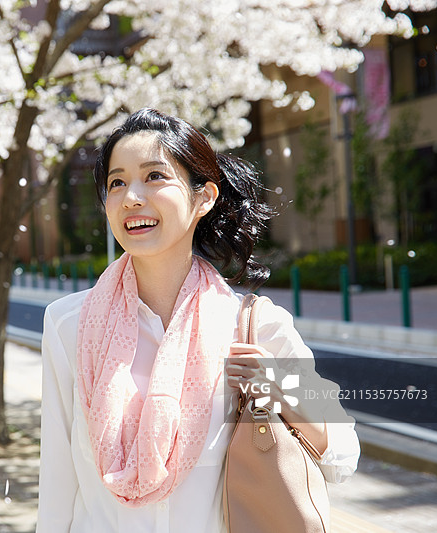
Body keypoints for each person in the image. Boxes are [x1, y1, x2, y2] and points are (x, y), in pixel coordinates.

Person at [36, 108, 359, 532]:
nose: (132, 197)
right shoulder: (68, 324)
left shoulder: (253, 325)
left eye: (154, 176)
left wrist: (279, 388)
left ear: (203, 198)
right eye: (117, 182)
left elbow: (341, 452)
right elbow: (58, 480)